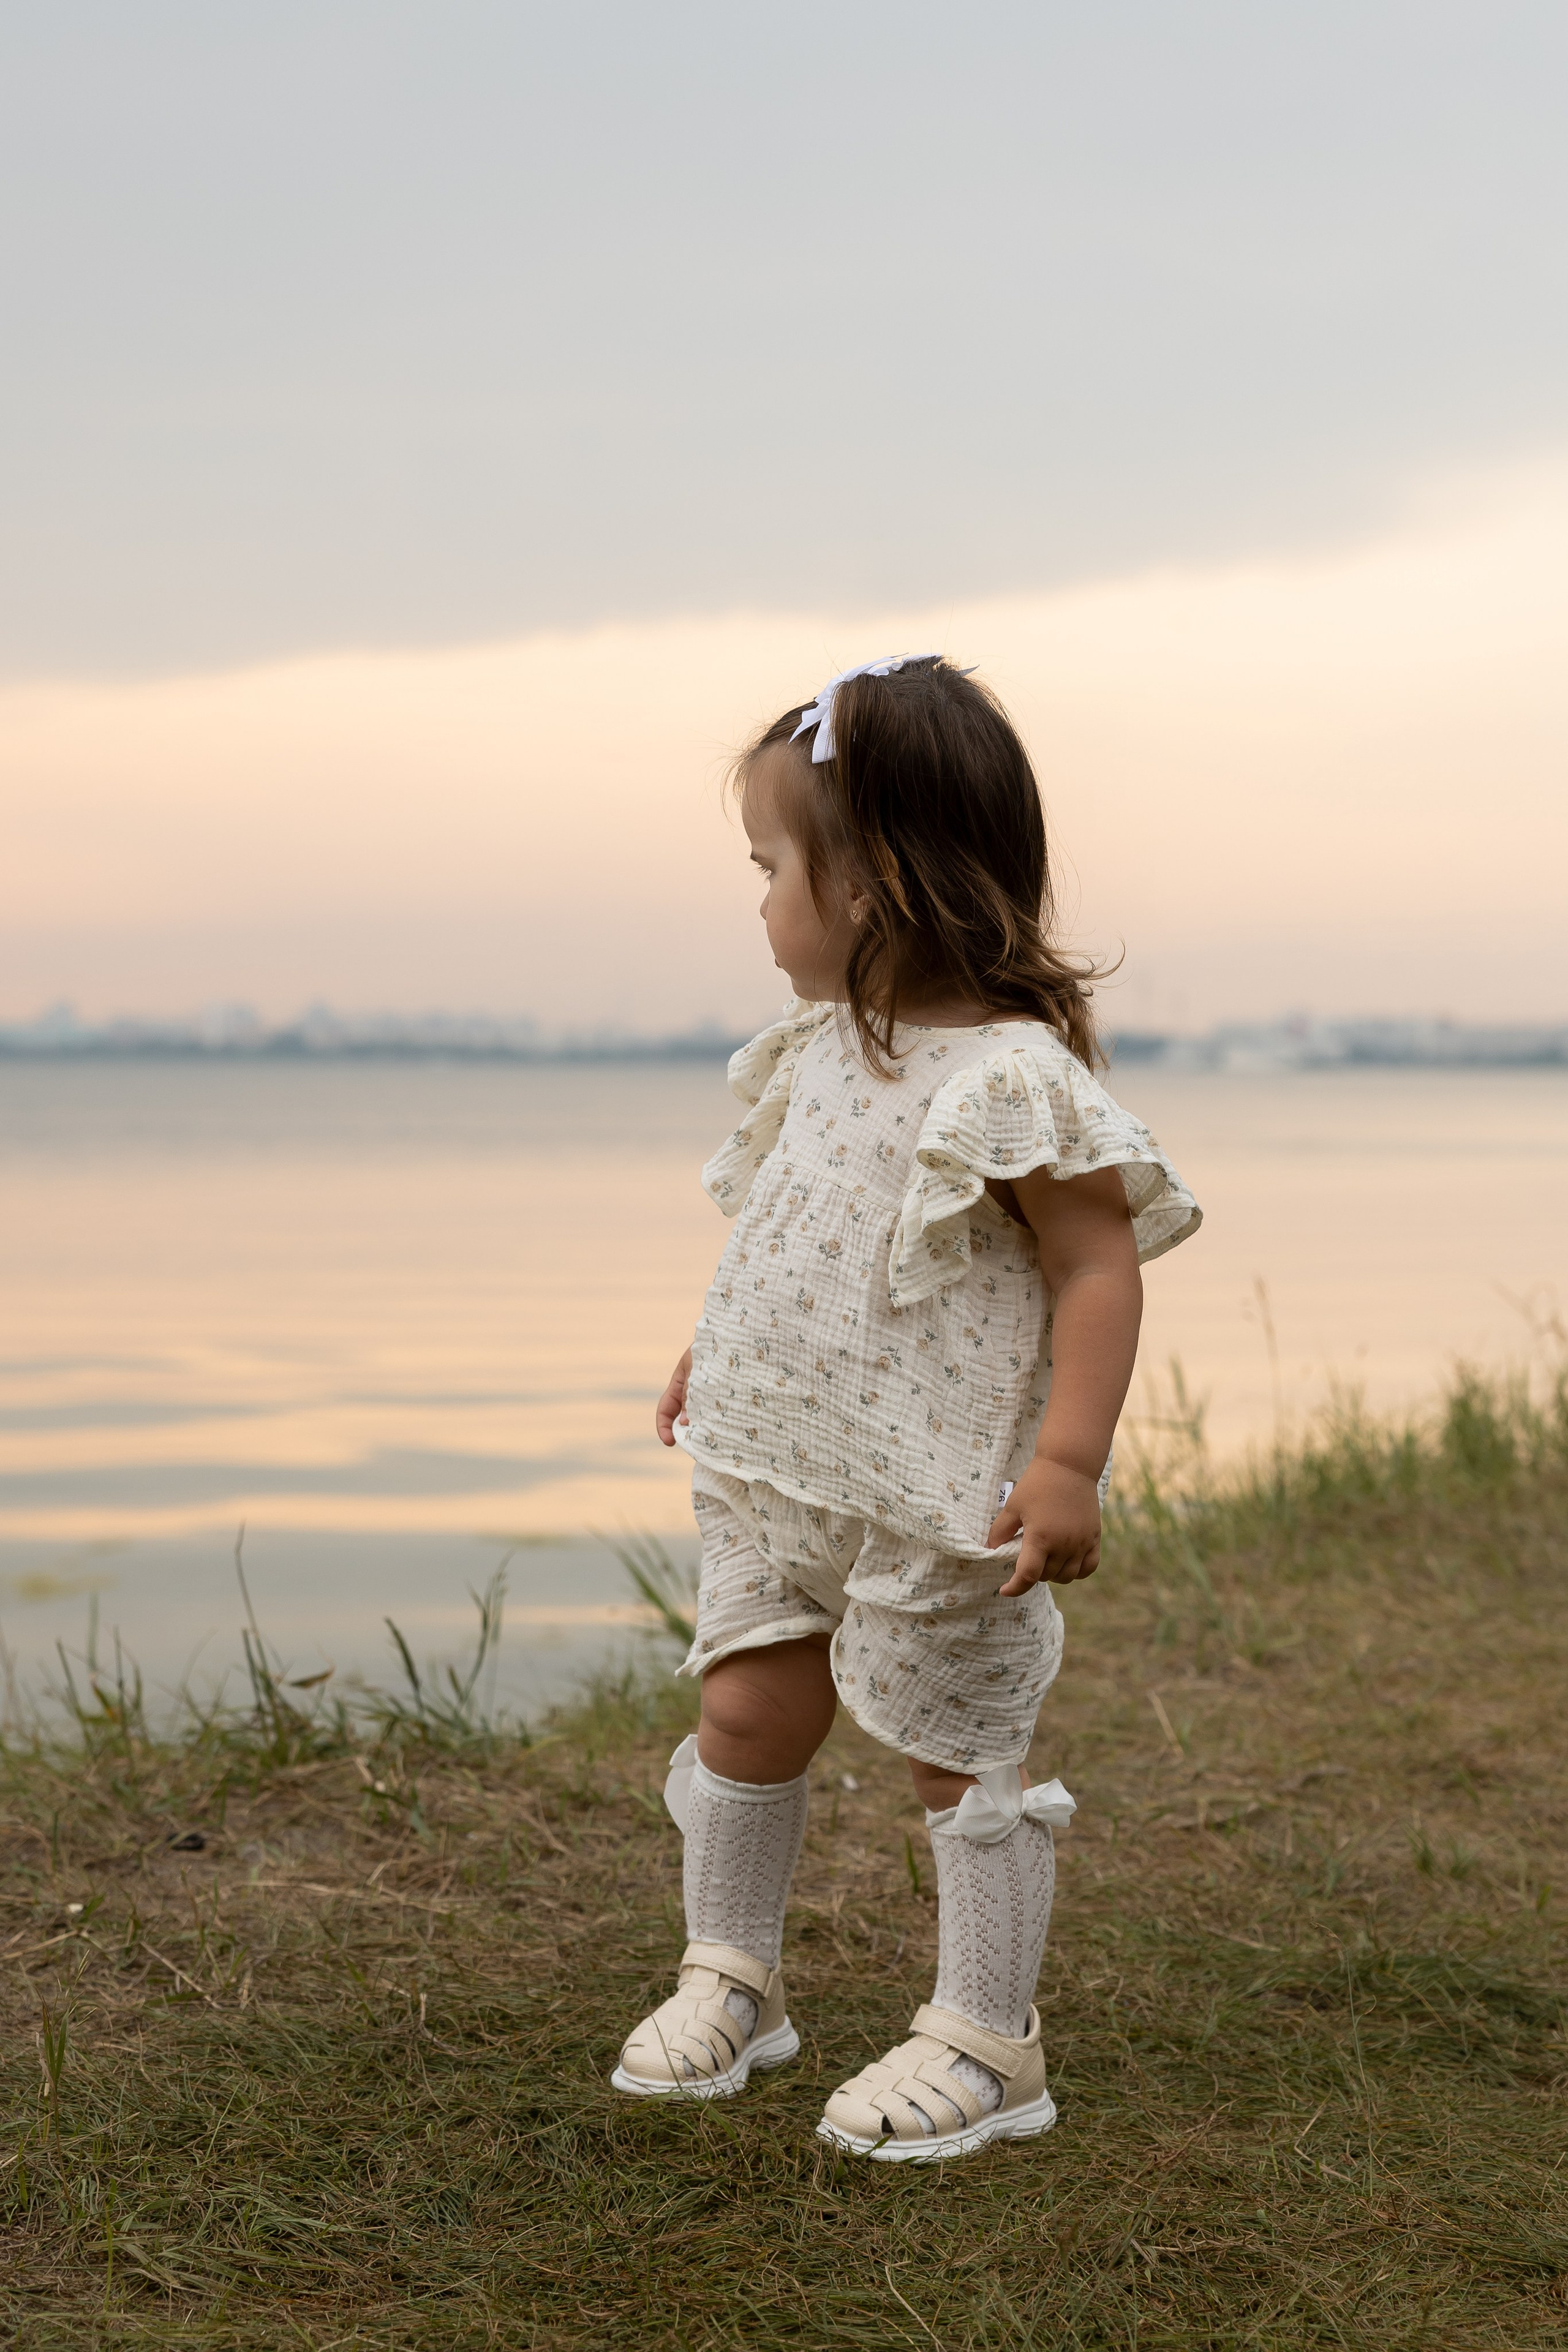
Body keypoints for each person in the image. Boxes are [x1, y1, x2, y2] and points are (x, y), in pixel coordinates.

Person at [610, 655, 1201, 2161]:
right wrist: (715, 1346)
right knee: (745, 1707)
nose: (755, 903)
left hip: (938, 1489)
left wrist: (1068, 1459)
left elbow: (1093, 1265)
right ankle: (732, 1974)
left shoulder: (1007, 1076)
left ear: (868, 883)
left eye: (769, 868)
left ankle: (990, 2041)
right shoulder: (823, 1049)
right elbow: (791, 1228)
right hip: (773, 1465)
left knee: (957, 1749)